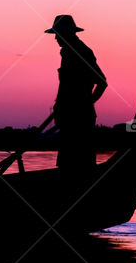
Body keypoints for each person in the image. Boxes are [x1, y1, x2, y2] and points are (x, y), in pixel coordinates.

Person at [45, 14, 107, 171]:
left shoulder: (82, 52)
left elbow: (101, 82)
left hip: (79, 120)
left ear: (67, 34)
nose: (55, 39)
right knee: (68, 163)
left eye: (57, 35)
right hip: (67, 118)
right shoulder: (67, 53)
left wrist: (84, 104)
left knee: (79, 162)